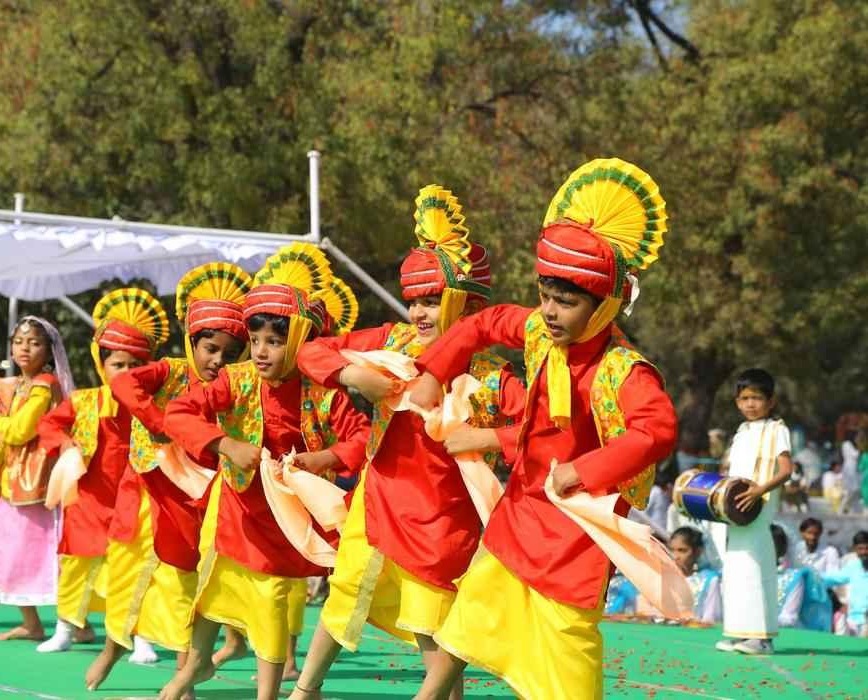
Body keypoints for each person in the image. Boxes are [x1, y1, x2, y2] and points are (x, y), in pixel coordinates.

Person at [406, 158, 679, 699]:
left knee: (566, 649)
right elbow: (484, 323)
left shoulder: (622, 369)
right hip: (522, 508)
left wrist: (583, 470)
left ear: (605, 306)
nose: (550, 312)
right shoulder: (538, 330)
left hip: (576, 530)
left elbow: (657, 430)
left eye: (566, 302)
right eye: (545, 296)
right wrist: (434, 372)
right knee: (471, 615)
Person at [289, 185, 525, 700]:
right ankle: (305, 691)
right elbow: (310, 352)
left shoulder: (491, 376)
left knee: (432, 622)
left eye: (432, 301)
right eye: (414, 300)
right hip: (378, 498)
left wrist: (486, 435)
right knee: (344, 595)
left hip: (444, 518)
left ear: (467, 305)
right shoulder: (392, 344)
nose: (418, 312)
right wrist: (353, 374)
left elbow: (541, 431)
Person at [157, 243, 371, 700]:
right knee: (212, 586)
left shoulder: (324, 392)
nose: (259, 351)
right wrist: (226, 444)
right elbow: (178, 412)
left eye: (273, 341)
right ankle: (195, 667)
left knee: (271, 597)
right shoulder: (236, 381)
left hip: (286, 520)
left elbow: (363, 436)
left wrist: (324, 458)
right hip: (236, 507)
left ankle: (268, 693)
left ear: (300, 342)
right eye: (254, 341)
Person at [87, 266, 252, 692]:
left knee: (191, 582)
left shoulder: (236, 383)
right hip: (145, 490)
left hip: (199, 499)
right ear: (191, 342)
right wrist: (159, 421)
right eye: (210, 348)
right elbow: (125, 383)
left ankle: (192, 669)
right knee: (127, 574)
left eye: (230, 353)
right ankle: (115, 647)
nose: (218, 360)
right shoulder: (171, 371)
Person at [35, 288, 169, 655]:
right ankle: (66, 628)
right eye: (118, 365)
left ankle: (140, 636)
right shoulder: (84, 401)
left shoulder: (153, 405)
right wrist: (65, 444)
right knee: (77, 563)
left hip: (136, 500)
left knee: (135, 565)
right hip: (89, 501)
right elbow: (49, 425)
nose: (126, 372)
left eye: (135, 365)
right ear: (101, 364)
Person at [0, 316, 74, 640]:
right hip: (18, 478)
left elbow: (18, 431)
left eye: (34, 343)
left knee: (47, 551)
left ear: (49, 349)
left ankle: (76, 623)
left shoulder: (44, 386)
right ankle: (32, 623)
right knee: (13, 549)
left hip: (38, 480)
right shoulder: (25, 385)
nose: (25, 348)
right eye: (19, 342)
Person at [715, 368, 794, 655]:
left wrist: (760, 490)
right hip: (735, 510)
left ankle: (762, 638)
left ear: (771, 401)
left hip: (758, 509)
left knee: (755, 567)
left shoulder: (777, 429)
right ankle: (739, 633)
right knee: (736, 569)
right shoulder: (741, 431)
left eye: (757, 398)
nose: (750, 404)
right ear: (737, 402)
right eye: (744, 398)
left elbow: (786, 470)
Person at [605, 527, 721, 625]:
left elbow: (710, 620)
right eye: (671, 550)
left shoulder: (708, 580)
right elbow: (642, 613)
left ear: (697, 552)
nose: (675, 556)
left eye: (682, 550)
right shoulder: (655, 578)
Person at [773, 524, 832, 632]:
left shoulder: (793, 577)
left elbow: (789, 618)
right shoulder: (750, 575)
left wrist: (761, 621)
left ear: (782, 549)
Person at [821, 531, 868, 637]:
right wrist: (812, 575)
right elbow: (832, 578)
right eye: (860, 549)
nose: (864, 552)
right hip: (853, 621)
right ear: (854, 549)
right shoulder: (853, 566)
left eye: (867, 548)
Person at [840, 431, 861, 514]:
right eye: (856, 436)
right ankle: (842, 508)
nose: (857, 438)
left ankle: (854, 509)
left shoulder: (850, 444)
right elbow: (855, 455)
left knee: (855, 490)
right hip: (849, 467)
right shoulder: (847, 444)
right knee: (851, 490)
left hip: (853, 467)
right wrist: (859, 448)